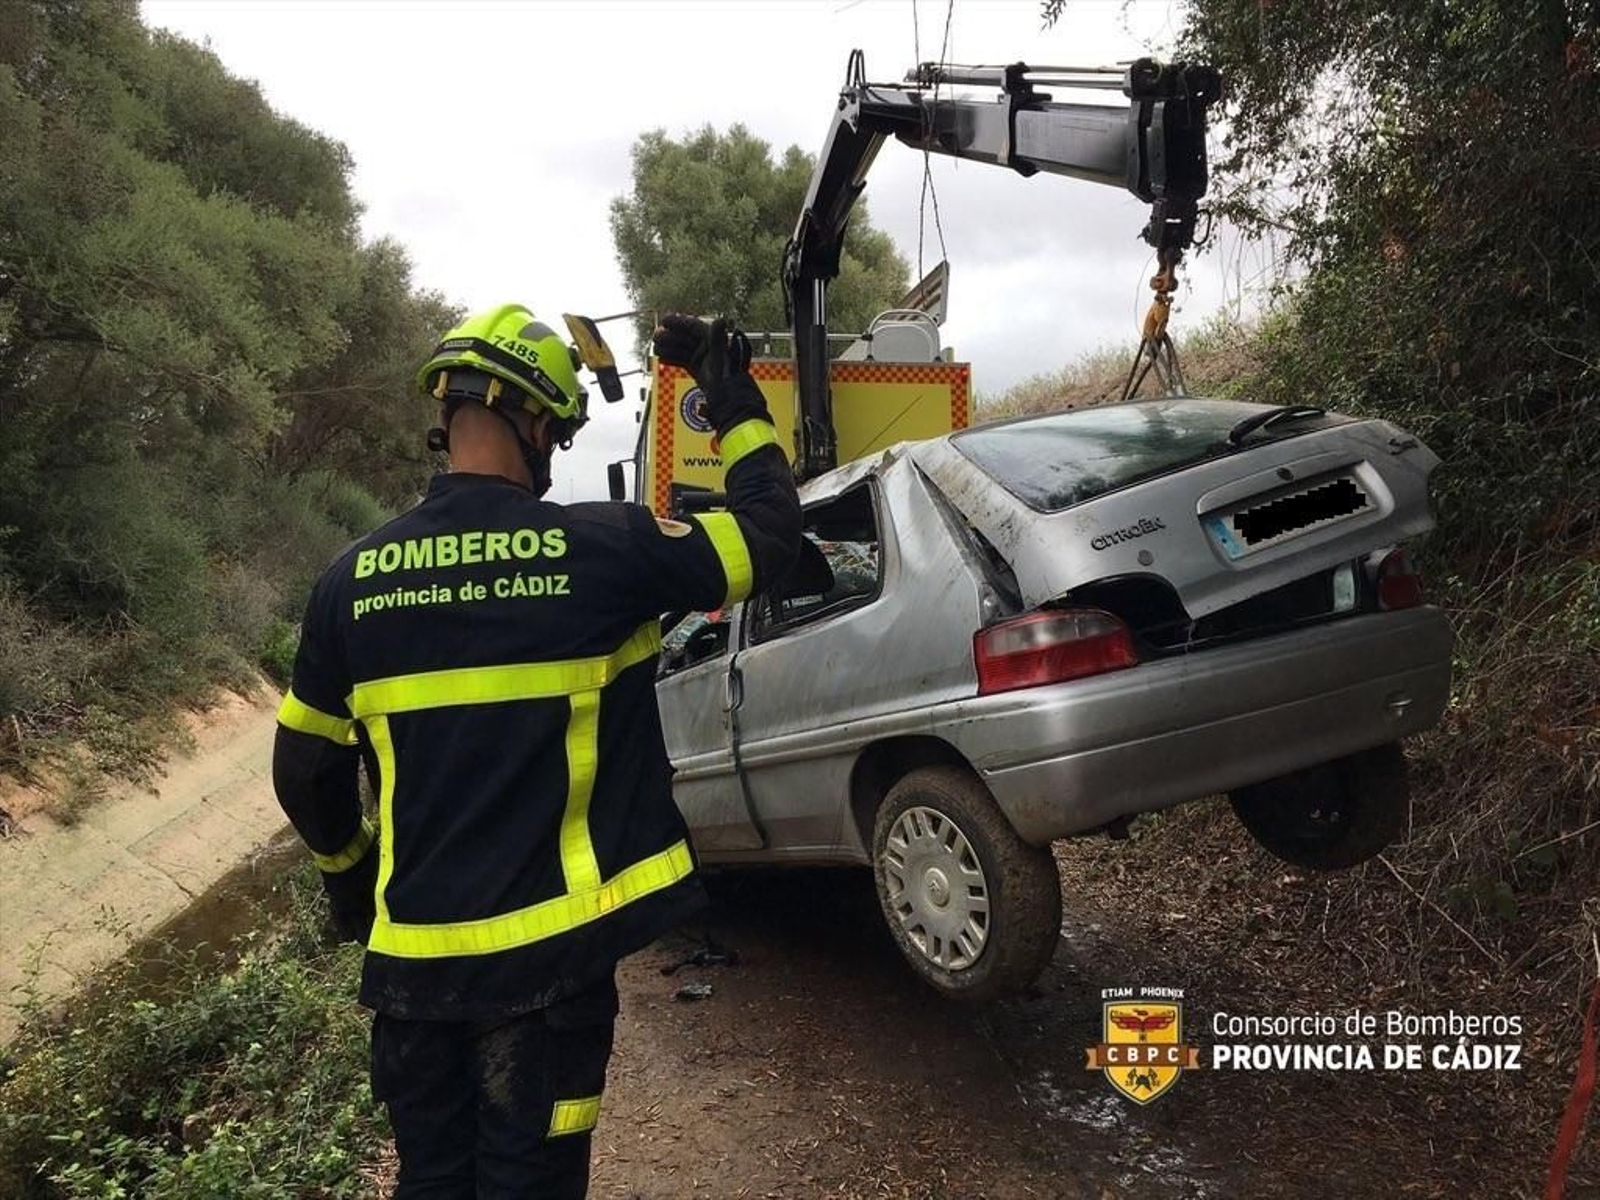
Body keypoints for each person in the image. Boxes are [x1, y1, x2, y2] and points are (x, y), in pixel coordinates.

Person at [271, 304, 800, 1198]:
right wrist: (728, 389)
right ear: (540, 422)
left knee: (433, 1183)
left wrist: (356, 889)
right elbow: (772, 540)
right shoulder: (602, 550)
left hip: (412, 988)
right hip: (548, 982)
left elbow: (304, 774)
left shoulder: (347, 583)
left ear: (448, 416)